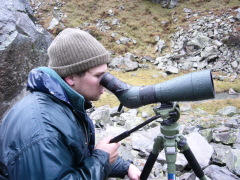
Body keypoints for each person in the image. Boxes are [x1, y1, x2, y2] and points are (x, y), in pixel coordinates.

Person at [0, 28, 141, 180]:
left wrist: (125, 167)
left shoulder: (63, 105)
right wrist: (102, 159)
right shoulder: (44, 130)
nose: (106, 83)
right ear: (71, 78)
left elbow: (73, 159)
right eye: (99, 76)